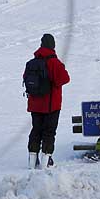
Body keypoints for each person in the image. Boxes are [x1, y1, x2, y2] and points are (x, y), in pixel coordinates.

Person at [23, 33, 71, 169]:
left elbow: (25, 78)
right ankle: (46, 161)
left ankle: (32, 161)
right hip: (51, 105)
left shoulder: (31, 63)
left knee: (36, 130)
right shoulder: (54, 62)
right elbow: (64, 79)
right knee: (49, 132)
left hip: (34, 105)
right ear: (53, 45)